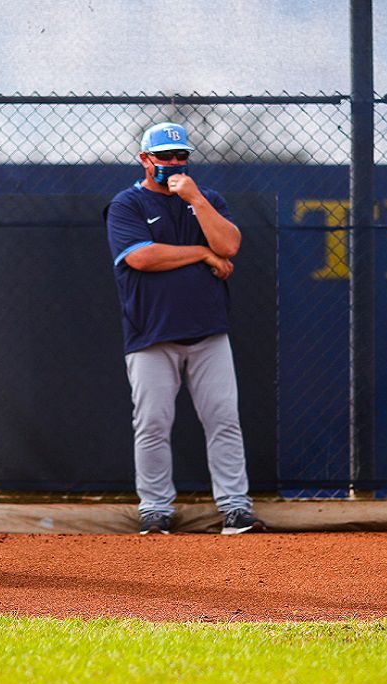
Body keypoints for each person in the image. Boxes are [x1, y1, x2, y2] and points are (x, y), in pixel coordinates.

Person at [103, 122, 266, 535]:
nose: (175, 163)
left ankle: (235, 508)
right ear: (145, 159)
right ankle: (155, 510)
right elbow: (141, 257)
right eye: (165, 157)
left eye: (181, 156)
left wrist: (195, 199)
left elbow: (228, 245)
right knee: (154, 423)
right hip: (151, 335)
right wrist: (201, 255)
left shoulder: (206, 198)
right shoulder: (128, 204)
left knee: (224, 419)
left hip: (208, 331)